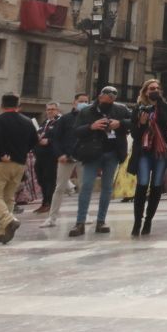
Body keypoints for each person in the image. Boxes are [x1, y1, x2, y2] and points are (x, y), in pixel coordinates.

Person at [62, 87, 129, 237]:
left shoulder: (120, 110)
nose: (109, 100)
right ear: (100, 96)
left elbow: (134, 122)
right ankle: (80, 222)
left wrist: (120, 123)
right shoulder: (86, 112)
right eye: (107, 97)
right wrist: (91, 127)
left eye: (112, 98)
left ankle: (101, 221)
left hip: (112, 153)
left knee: (107, 187)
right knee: (86, 185)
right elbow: (76, 131)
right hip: (92, 152)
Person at [128, 78, 167, 237]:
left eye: (157, 88)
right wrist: (143, 123)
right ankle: (137, 221)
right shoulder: (138, 108)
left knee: (157, 185)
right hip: (144, 151)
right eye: (151, 88)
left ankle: (148, 221)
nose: (155, 90)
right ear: (145, 91)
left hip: (161, 151)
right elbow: (134, 133)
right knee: (142, 184)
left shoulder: (165, 108)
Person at [0, 94, 38, 245]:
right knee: (8, 197)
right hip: (20, 163)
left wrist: (2, 154)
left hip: (1, 162)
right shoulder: (27, 122)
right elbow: (34, 140)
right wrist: (21, 153)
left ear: (2, 105)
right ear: (18, 105)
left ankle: (9, 220)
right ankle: (1, 232)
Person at [31, 102, 63, 215]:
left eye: (53, 109)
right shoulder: (45, 122)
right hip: (40, 156)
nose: (50, 111)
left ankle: (49, 203)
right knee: (41, 179)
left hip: (51, 156)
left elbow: (62, 137)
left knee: (50, 180)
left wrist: (49, 141)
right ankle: (44, 202)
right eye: (48, 109)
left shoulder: (60, 122)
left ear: (58, 110)